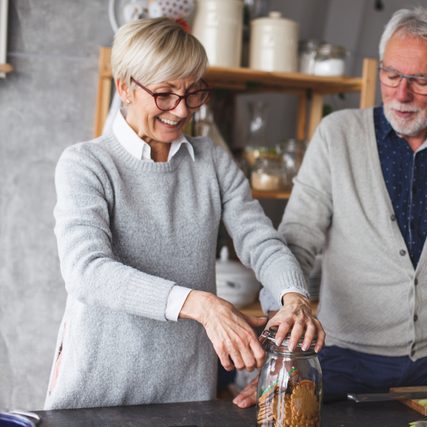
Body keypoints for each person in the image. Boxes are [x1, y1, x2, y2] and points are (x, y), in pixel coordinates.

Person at [233, 6, 427, 406]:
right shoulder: (338, 135)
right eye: (391, 74)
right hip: (344, 356)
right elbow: (298, 239)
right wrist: (281, 350)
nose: (401, 94)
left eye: (422, 82)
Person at [44, 17, 324, 410]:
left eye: (193, 93)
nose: (181, 110)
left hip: (187, 392)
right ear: (124, 86)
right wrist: (202, 305)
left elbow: (260, 239)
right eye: (164, 94)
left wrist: (294, 297)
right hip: (98, 390)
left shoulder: (210, 161)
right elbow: (86, 271)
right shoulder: (87, 164)